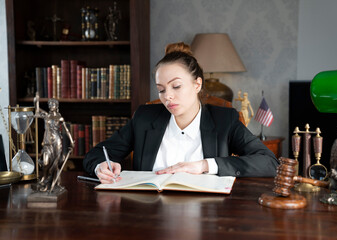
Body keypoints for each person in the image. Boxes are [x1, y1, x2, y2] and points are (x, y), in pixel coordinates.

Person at [83, 42, 279, 184]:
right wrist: (101, 166)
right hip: (148, 215)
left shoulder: (224, 120)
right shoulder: (145, 117)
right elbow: (97, 154)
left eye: (176, 86)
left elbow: (269, 162)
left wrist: (204, 165)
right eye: (161, 89)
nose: (167, 96)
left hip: (209, 216)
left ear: (197, 84)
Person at [35, 95, 74, 191]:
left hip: (57, 141)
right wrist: (36, 101)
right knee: (45, 162)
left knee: (55, 163)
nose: (51, 105)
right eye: (49, 104)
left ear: (57, 105)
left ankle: (52, 183)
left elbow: (66, 130)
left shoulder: (59, 118)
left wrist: (71, 141)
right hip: (47, 141)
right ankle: (44, 178)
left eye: (53, 104)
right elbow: (37, 110)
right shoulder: (46, 116)